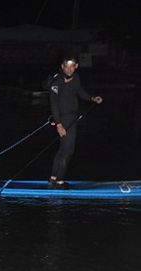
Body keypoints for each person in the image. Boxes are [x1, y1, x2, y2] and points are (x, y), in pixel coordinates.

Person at [47, 57, 102, 189]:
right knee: (68, 150)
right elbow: (53, 104)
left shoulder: (76, 78)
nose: (69, 69)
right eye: (67, 66)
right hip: (62, 119)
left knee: (63, 150)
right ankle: (59, 182)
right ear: (62, 66)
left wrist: (92, 98)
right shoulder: (57, 81)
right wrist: (59, 124)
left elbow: (80, 92)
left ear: (76, 66)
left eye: (72, 66)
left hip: (73, 118)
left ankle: (53, 178)